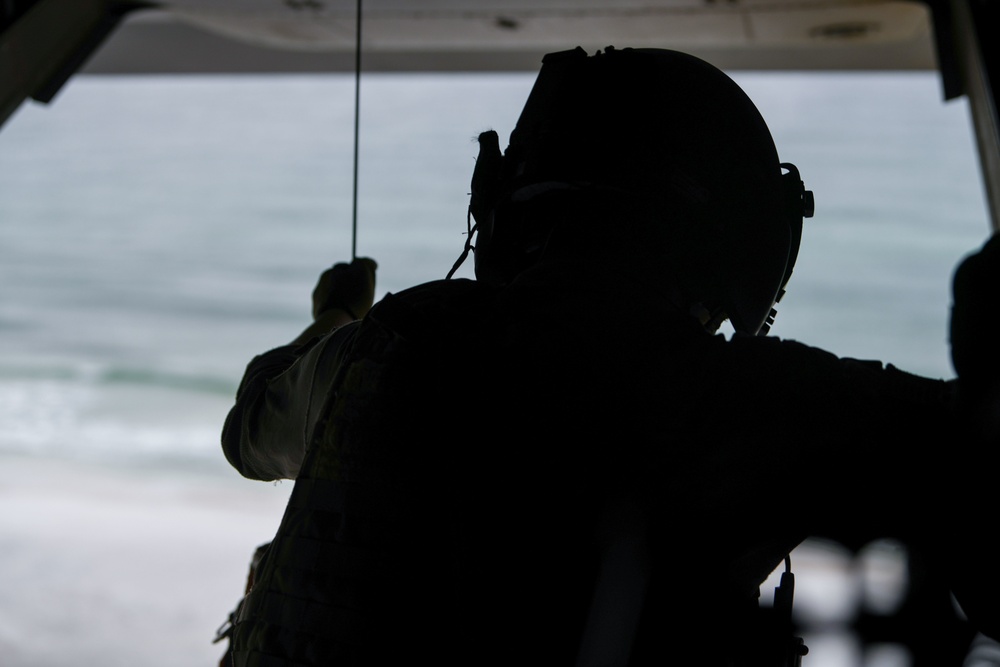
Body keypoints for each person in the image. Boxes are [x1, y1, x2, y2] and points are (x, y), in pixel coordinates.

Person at [219, 46, 1000, 666]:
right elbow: (971, 446)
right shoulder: (748, 403)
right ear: (748, 248)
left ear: (499, 203)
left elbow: (249, 425)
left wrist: (335, 313)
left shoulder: (383, 345)